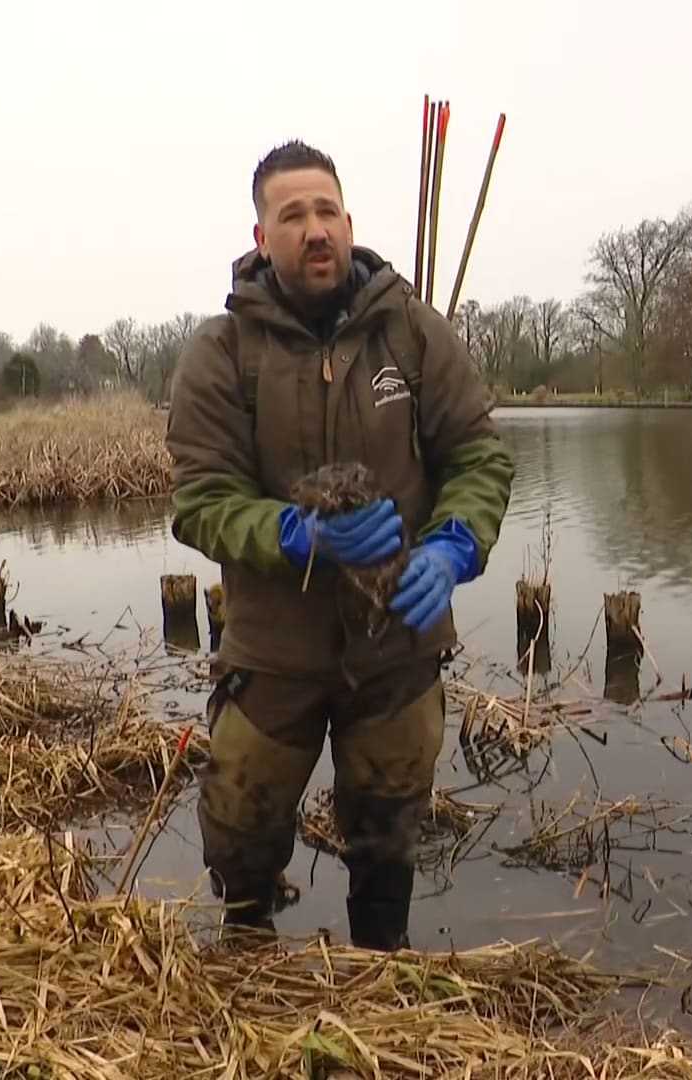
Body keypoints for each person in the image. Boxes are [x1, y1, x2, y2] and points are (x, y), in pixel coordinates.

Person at [164, 139, 515, 951]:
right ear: (262, 239)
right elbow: (202, 502)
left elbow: (477, 456)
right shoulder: (219, 354)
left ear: (350, 223)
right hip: (273, 651)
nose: (314, 230)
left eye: (327, 212)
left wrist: (455, 543)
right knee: (240, 825)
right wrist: (294, 533)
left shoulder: (415, 333)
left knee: (388, 834)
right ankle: (248, 949)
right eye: (292, 216)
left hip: (396, 644)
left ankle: (379, 970)